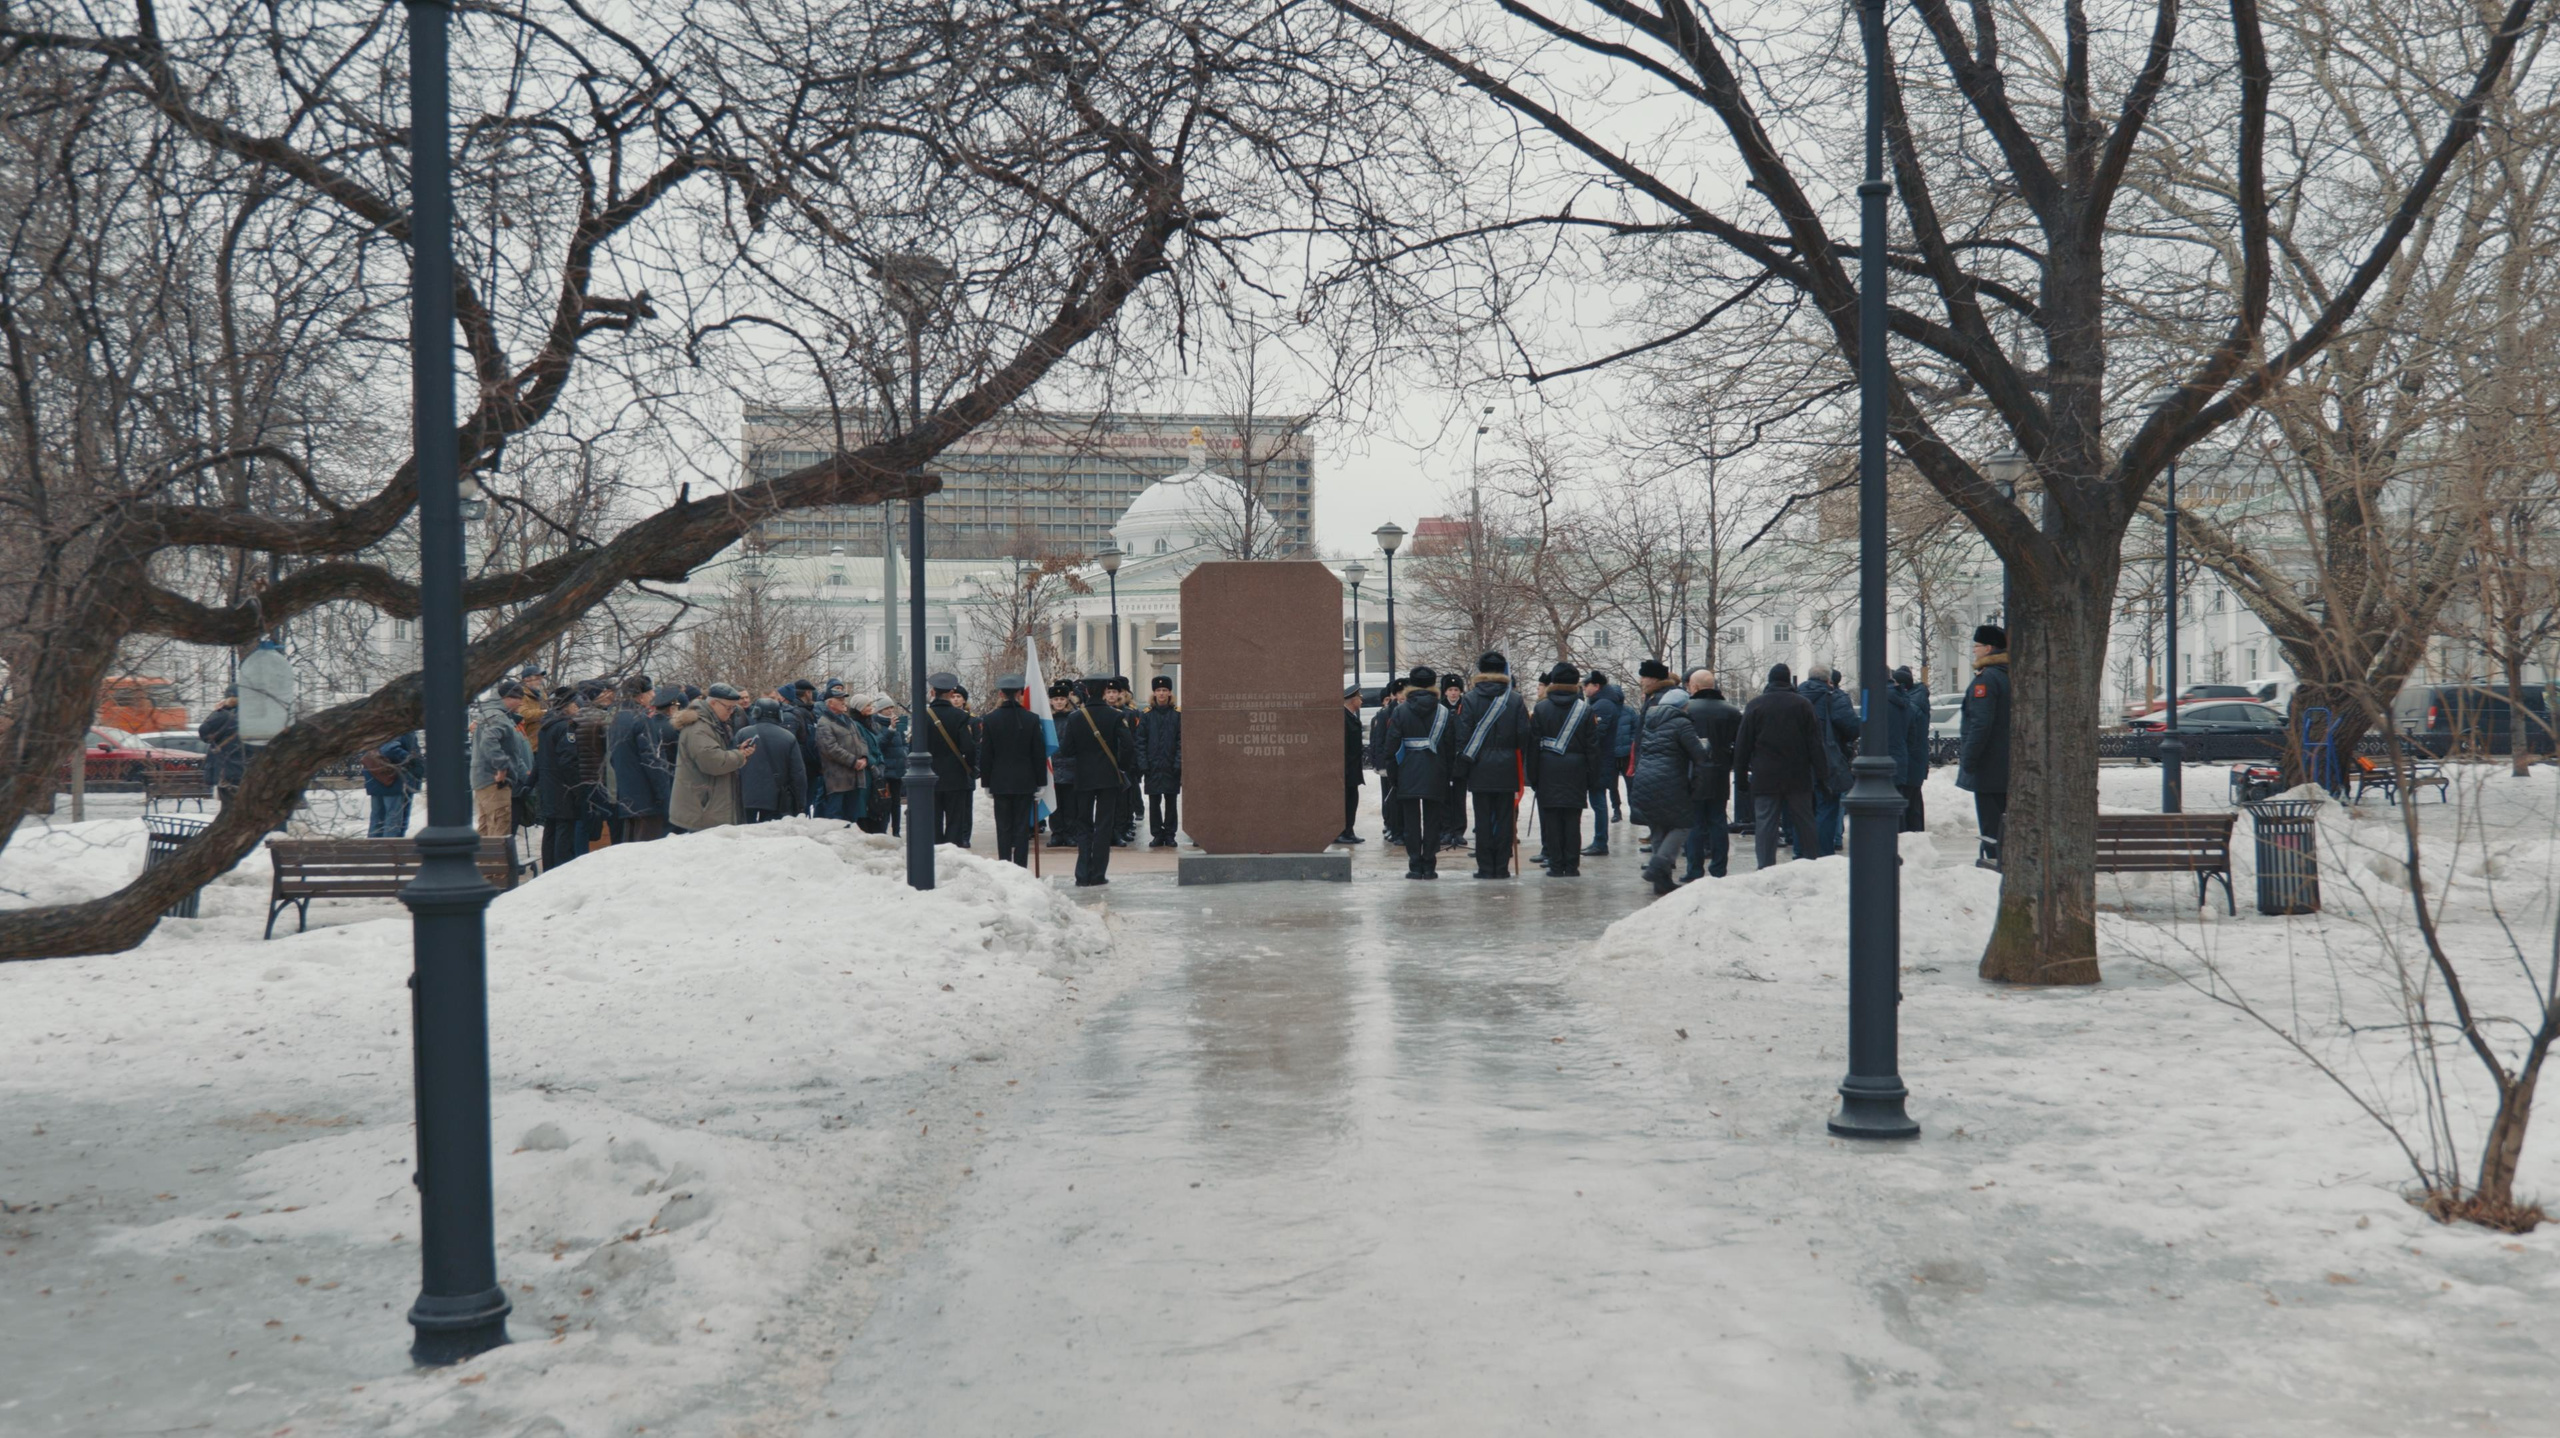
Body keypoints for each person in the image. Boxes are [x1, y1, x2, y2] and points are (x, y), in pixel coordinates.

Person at [1628, 674, 1709, 895]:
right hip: (1670, 780)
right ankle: (1658, 864)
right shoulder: (1682, 723)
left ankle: (1661, 883)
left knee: (1658, 827)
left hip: (1645, 779)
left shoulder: (1650, 721)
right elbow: (1699, 756)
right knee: (1683, 824)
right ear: (1683, 706)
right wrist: (1697, 782)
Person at [1733, 664, 1820, 869]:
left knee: (1765, 824)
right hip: (1798, 775)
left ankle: (1765, 867)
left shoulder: (1755, 705)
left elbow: (1742, 744)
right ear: (1789, 680)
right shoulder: (1803, 704)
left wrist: (1741, 776)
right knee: (1805, 822)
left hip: (1765, 775)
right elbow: (1815, 743)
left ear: (1770, 680)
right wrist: (1823, 775)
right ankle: (1812, 864)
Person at [1451, 652, 1529, 879]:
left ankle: (1485, 867)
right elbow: (1523, 734)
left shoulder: (1470, 699)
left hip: (1479, 766)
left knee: (1483, 819)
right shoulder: (1515, 699)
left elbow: (1462, 735)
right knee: (1505, 819)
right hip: (1506, 766)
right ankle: (1502, 867)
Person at [1526, 663, 1599, 877]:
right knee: (1571, 820)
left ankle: (1556, 865)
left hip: (1548, 769)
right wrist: (1593, 777)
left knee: (1552, 821)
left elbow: (1533, 747)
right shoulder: (1585, 710)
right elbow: (1593, 748)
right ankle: (1572, 865)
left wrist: (1533, 775)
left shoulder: (1541, 708)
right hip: (1576, 771)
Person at [1058, 677, 1133, 886]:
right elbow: (1128, 745)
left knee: (1083, 825)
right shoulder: (1115, 716)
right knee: (1104, 825)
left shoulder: (1075, 718)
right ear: (1102, 693)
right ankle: (1098, 874)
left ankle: (1082, 874)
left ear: (1088, 693)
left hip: (1083, 777)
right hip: (1108, 777)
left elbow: (1066, 750)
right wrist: (1120, 766)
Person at [1384, 667, 1452, 879]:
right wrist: (1446, 773)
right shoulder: (1443, 711)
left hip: (1408, 771)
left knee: (1411, 821)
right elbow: (1450, 747)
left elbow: (1392, 746)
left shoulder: (1400, 711)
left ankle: (1415, 865)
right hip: (1435, 770)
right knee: (1433, 821)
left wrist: (1394, 776)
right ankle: (1430, 865)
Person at [979, 675, 1049, 867]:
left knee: (1003, 827)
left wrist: (986, 782)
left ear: (1001, 694)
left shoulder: (990, 719)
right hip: (1025, 781)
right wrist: (1041, 782)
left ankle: (1004, 864)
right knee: (1021, 828)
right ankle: (1020, 866)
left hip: (1000, 781)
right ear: (1020, 694)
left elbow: (986, 754)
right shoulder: (1032, 719)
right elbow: (1038, 753)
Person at [1957, 625, 2012, 865]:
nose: (1974, 651)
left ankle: (1996, 869)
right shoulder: (2008, 674)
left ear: (1988, 648)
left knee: (1992, 826)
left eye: (1976, 646)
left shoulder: (1987, 679)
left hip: (1990, 767)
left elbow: (1980, 724)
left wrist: (1968, 760)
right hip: (2007, 765)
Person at [1681, 669, 1743, 881]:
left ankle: (1694, 870)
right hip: (1719, 772)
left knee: (1695, 823)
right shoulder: (1731, 712)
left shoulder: (1686, 710)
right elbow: (1740, 744)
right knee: (1718, 821)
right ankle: (1718, 869)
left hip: (1692, 772)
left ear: (1695, 687)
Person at [669, 683, 757, 833]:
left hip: (707, 806)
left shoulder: (710, 723)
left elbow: (716, 753)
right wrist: (739, 755)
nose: (731, 712)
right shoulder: (699, 728)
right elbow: (714, 762)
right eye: (728, 708)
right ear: (714, 703)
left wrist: (737, 752)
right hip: (703, 808)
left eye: (733, 708)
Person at [1798, 661, 1860, 858]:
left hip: (1799, 761)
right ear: (1829, 681)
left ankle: (1801, 852)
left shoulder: (1795, 697)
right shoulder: (1835, 698)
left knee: (1803, 809)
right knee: (1828, 806)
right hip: (1828, 760)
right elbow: (1851, 727)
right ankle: (1823, 853)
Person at [604, 676, 672, 842]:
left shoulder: (617, 719)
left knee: (631, 846)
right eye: (651, 692)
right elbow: (652, 761)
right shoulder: (642, 720)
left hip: (627, 796)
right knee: (647, 850)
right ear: (641, 697)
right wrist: (664, 796)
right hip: (646, 799)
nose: (654, 695)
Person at [469, 681, 533, 841]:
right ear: (509, 698)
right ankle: (496, 865)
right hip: (496, 782)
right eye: (520, 699)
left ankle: (483, 864)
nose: (521, 704)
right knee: (499, 830)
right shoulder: (498, 717)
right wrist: (502, 768)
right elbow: (489, 741)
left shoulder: (488, 714)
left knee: (486, 829)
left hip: (483, 780)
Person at [921, 673, 978, 847]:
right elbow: (968, 747)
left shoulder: (923, 716)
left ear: (932, 692)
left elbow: (914, 748)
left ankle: (936, 853)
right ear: (952, 692)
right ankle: (953, 851)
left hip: (929, 776)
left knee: (933, 820)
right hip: (955, 776)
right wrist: (970, 766)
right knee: (955, 821)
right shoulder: (960, 716)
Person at [735, 699, 808, 823]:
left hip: (745, 797)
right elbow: (798, 773)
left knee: (744, 835)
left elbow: (733, 763)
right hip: (776, 798)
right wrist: (800, 803)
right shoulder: (788, 737)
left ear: (756, 712)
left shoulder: (743, 733)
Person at [1579, 672, 1626, 857]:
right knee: (1598, 800)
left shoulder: (1603, 705)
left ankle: (1600, 842)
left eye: (1586, 686)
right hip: (1601, 759)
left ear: (1596, 686)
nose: (1584, 689)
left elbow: (1597, 734)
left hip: (1600, 761)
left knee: (1598, 801)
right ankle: (1599, 841)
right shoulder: (1602, 703)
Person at [813, 686, 874, 824]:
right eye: (839, 699)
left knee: (852, 816)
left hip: (855, 777)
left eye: (843, 699)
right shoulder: (824, 723)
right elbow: (830, 748)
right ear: (830, 703)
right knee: (836, 817)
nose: (843, 702)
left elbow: (862, 740)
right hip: (837, 780)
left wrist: (864, 757)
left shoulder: (849, 720)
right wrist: (854, 761)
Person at [1141, 675, 1184, 847]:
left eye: (1164, 690)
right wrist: (1143, 763)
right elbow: (1140, 741)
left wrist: (1178, 762)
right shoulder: (1146, 715)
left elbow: (1182, 741)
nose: (1161, 694)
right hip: (1152, 766)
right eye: (1158, 690)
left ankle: (1170, 834)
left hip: (1171, 765)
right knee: (1153, 802)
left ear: (1169, 693)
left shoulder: (1177, 715)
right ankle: (1157, 834)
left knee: (1171, 802)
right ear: (1154, 693)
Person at [1890, 665, 1931, 833]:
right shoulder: (1917, 700)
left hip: (1910, 760)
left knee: (1909, 803)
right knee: (1913, 801)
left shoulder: (1911, 706)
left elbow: (1910, 737)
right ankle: (1915, 836)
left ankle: (1912, 838)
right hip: (1916, 760)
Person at [361, 730, 423, 838]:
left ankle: (373, 852)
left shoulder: (376, 725)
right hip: (395, 780)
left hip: (378, 778)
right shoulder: (400, 727)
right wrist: (412, 760)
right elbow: (389, 749)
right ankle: (389, 852)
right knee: (394, 822)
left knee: (378, 821)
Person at [1368, 676, 1407, 845]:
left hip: (1408, 763)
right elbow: (1380, 740)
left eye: (1405, 692)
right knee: (1392, 799)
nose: (1402, 696)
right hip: (1392, 762)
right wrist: (1381, 765)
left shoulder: (1412, 710)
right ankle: (1395, 829)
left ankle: (1406, 830)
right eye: (1399, 693)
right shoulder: (1385, 714)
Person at [1045, 681, 1082, 848]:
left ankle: (1070, 833)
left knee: (1070, 804)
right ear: (1050, 701)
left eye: (1061, 698)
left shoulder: (1074, 717)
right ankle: (1057, 833)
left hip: (1070, 767)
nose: (1058, 702)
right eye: (1055, 699)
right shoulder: (1046, 719)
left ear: (1067, 700)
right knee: (1054, 804)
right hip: (1052, 767)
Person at [1437, 671, 1470, 849]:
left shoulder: (1465, 707)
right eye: (1450, 689)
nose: (1453, 693)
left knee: (1459, 796)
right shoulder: (1439, 707)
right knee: (1444, 797)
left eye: (1456, 689)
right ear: (1445, 692)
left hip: (1460, 759)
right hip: (1443, 759)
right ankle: (1446, 829)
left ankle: (1458, 831)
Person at [199, 687, 246, 807]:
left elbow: (204, 732)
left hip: (227, 767)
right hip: (249, 768)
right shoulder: (253, 715)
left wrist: (218, 710)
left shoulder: (223, 715)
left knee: (229, 807)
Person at [1111, 678, 1145, 846]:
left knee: (1127, 797)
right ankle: (1115, 828)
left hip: (1127, 761)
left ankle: (1126, 825)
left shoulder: (1130, 713)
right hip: (1109, 762)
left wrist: (1135, 762)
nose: (1113, 695)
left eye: (1116, 692)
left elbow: (1135, 738)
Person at [1339, 687, 1367, 845]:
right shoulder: (1343, 718)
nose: (1361, 701)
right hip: (1347, 769)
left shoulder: (1349, 716)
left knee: (1351, 800)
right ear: (1353, 700)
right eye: (1359, 698)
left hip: (1352, 769)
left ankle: (1348, 830)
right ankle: (1344, 832)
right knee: (1347, 802)